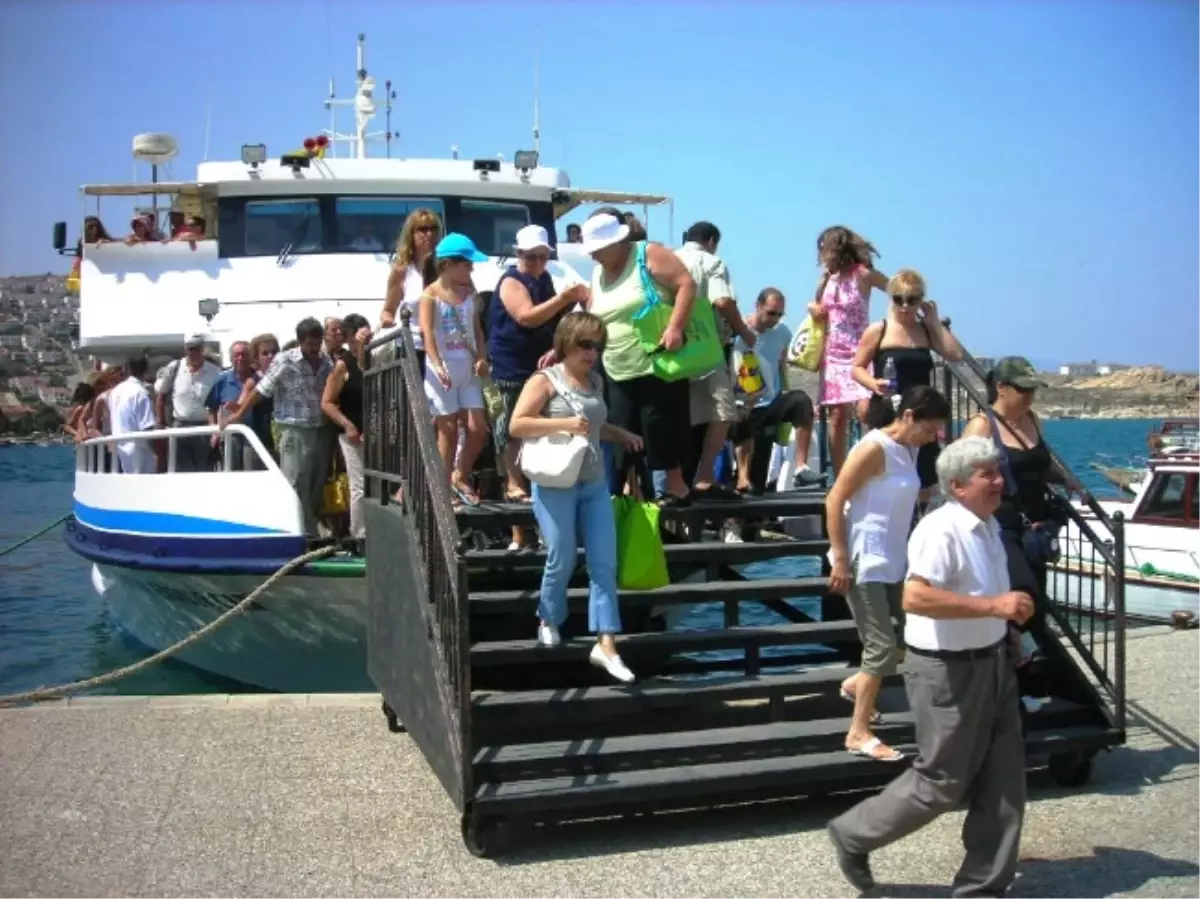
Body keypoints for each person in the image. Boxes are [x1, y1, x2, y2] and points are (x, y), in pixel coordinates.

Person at [826, 435, 1034, 897]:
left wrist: (1009, 629)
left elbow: (987, 593)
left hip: (993, 662)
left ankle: (982, 888)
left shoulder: (989, 526)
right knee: (942, 781)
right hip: (947, 672)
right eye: (989, 475)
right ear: (958, 486)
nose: (1001, 481)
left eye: (999, 471)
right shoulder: (941, 529)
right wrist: (996, 607)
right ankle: (854, 833)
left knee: (1004, 781)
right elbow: (915, 597)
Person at [507, 312, 643, 682]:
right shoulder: (544, 380)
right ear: (566, 343)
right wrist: (563, 424)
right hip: (555, 482)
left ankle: (607, 644)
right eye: (585, 345)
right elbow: (516, 424)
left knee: (604, 564)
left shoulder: (595, 381)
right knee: (562, 556)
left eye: (598, 346)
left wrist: (622, 434)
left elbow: (595, 425)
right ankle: (548, 615)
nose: (592, 353)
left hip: (594, 482)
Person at [826, 386, 951, 761]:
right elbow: (834, 499)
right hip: (865, 560)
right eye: (930, 430)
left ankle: (855, 685)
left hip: (895, 560)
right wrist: (841, 559)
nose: (933, 438)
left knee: (911, 637)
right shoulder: (873, 447)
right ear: (909, 416)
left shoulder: (909, 449)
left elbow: (893, 494)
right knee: (880, 647)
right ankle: (858, 732)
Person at [960, 356, 1080, 654]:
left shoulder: (1032, 420)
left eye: (1033, 390)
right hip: (1002, 525)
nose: (1030, 396)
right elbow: (961, 473)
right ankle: (1017, 662)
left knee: (1035, 602)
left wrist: (1067, 479)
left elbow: (1037, 466)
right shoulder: (983, 426)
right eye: (1023, 390)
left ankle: (1026, 677)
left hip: (1036, 528)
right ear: (1001, 387)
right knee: (1026, 595)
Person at [580, 212, 697, 504]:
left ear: (618, 242)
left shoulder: (648, 253)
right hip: (616, 364)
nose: (594, 257)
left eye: (598, 249)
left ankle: (676, 487)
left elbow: (686, 283)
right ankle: (629, 494)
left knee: (659, 424)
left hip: (656, 358)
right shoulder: (597, 273)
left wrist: (675, 327)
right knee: (623, 431)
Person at [488, 224, 587, 547]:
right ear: (519, 254)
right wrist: (564, 298)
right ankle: (515, 484)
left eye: (543, 257)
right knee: (512, 423)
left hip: (539, 363)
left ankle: (536, 493)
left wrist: (570, 305)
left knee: (540, 423)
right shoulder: (511, 281)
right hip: (511, 365)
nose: (537, 263)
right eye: (531, 257)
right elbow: (527, 316)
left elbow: (551, 319)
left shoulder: (543, 279)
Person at [852, 269, 964, 496]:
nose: (905, 306)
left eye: (912, 300)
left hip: (921, 411)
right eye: (898, 299)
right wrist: (873, 383)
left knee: (924, 479)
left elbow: (955, 354)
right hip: (888, 409)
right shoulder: (879, 330)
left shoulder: (925, 331)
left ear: (921, 300)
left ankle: (917, 523)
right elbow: (856, 368)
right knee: (887, 472)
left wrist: (934, 323)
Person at [226, 318, 334, 536]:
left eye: (317, 343)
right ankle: (300, 533)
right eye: (310, 345)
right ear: (301, 341)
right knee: (295, 483)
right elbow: (261, 390)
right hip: (293, 430)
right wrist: (240, 412)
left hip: (320, 429)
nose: (315, 349)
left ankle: (310, 527)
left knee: (317, 482)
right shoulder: (285, 360)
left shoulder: (325, 360)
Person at [675, 220, 756, 499]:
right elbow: (722, 300)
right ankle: (705, 475)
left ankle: (678, 480)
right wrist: (744, 331)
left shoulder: (670, 259)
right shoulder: (711, 261)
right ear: (711, 240)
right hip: (706, 346)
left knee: (682, 417)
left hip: (672, 348)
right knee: (722, 410)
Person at [419, 233, 492, 507]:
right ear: (449, 264)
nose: (471, 269)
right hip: (443, 369)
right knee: (447, 431)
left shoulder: (469, 294)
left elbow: (477, 331)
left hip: (468, 366)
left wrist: (483, 358)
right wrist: (437, 365)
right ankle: (442, 486)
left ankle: (459, 475)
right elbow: (427, 332)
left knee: (478, 429)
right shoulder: (430, 295)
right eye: (467, 264)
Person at [812, 226, 890, 475]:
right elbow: (818, 307)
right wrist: (812, 308)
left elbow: (895, 290)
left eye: (824, 247)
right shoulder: (827, 278)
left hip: (861, 351)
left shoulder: (863, 275)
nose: (822, 254)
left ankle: (870, 467)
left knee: (867, 411)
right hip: (833, 352)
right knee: (837, 417)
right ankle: (841, 476)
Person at [728, 288, 816, 495]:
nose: (775, 319)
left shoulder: (782, 332)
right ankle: (741, 510)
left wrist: (783, 389)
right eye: (771, 313)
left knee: (801, 401)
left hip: (769, 402)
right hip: (741, 403)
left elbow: (782, 363)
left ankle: (801, 466)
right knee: (754, 474)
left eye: (779, 314)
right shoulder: (737, 330)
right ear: (757, 307)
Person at [321, 313, 371, 540]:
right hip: (352, 434)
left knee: (378, 486)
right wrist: (348, 425)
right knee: (359, 486)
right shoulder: (343, 365)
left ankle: (376, 530)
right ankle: (360, 533)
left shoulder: (377, 358)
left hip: (377, 433)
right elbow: (327, 402)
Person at [381, 208, 442, 368]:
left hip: (443, 347)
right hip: (412, 348)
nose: (429, 234)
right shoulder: (402, 272)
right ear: (411, 235)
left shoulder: (446, 268)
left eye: (433, 229)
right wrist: (387, 320)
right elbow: (388, 310)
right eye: (422, 229)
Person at [154, 334, 222, 472]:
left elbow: (219, 403)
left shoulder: (215, 372)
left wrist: (216, 430)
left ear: (202, 349)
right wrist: (160, 425)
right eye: (190, 349)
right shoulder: (174, 368)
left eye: (197, 348)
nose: (194, 352)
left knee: (203, 470)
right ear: (185, 349)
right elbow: (161, 396)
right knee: (180, 471)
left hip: (204, 428)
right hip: (179, 426)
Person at [108, 357, 161, 474]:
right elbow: (147, 426)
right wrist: (157, 453)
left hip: (121, 448)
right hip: (139, 451)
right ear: (146, 370)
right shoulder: (141, 392)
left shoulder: (115, 391)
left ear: (128, 369)